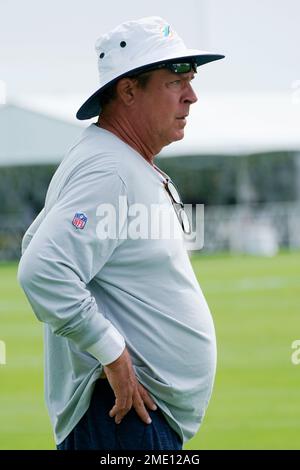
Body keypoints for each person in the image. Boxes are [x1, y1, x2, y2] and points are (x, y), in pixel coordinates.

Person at [17, 16, 224, 450]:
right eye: (175, 81)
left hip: (133, 420)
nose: (192, 95)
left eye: (191, 79)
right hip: (124, 419)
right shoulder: (109, 168)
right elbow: (42, 268)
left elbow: (37, 244)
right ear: (128, 91)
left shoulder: (116, 160)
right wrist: (113, 354)